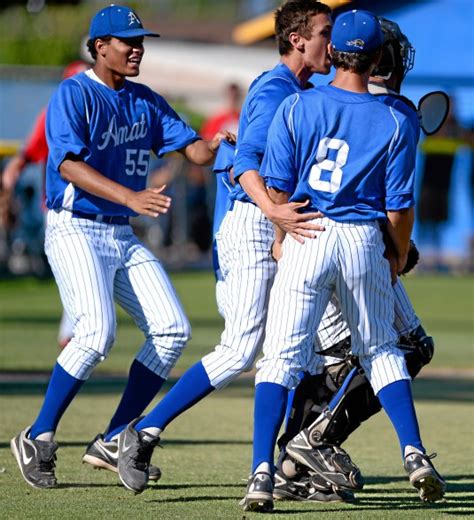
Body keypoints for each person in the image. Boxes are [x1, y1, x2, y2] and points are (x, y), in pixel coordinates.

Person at [115, 0, 347, 498]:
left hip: (279, 223)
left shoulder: (304, 91)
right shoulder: (276, 88)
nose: (334, 40)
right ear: (297, 39)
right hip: (253, 223)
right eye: (326, 31)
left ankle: (286, 469)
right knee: (242, 347)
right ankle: (141, 434)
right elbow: (243, 163)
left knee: (300, 351)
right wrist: (276, 213)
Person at [10, 4, 232, 490]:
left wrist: (216, 144)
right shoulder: (73, 93)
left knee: (172, 331)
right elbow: (67, 165)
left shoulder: (144, 100)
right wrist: (131, 195)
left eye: (141, 40)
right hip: (74, 227)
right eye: (127, 40)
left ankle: (113, 438)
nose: (138, 48)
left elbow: (191, 148)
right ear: (99, 47)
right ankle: (39, 435)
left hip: (118, 233)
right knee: (95, 333)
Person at [241, 9, 446, 512]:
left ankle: (262, 474)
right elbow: (399, 206)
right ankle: (414, 452)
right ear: (378, 57)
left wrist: (279, 232)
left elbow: (279, 189)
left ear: (332, 53)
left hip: (308, 234)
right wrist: (397, 253)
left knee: (281, 360)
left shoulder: (297, 106)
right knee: (382, 351)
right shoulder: (398, 117)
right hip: (359, 239)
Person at [1, 60, 89, 347]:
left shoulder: (102, 110)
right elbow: (30, 150)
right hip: (62, 208)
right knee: (82, 274)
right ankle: (71, 334)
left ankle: (73, 333)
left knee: (90, 276)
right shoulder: (54, 111)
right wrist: (14, 169)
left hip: (93, 209)